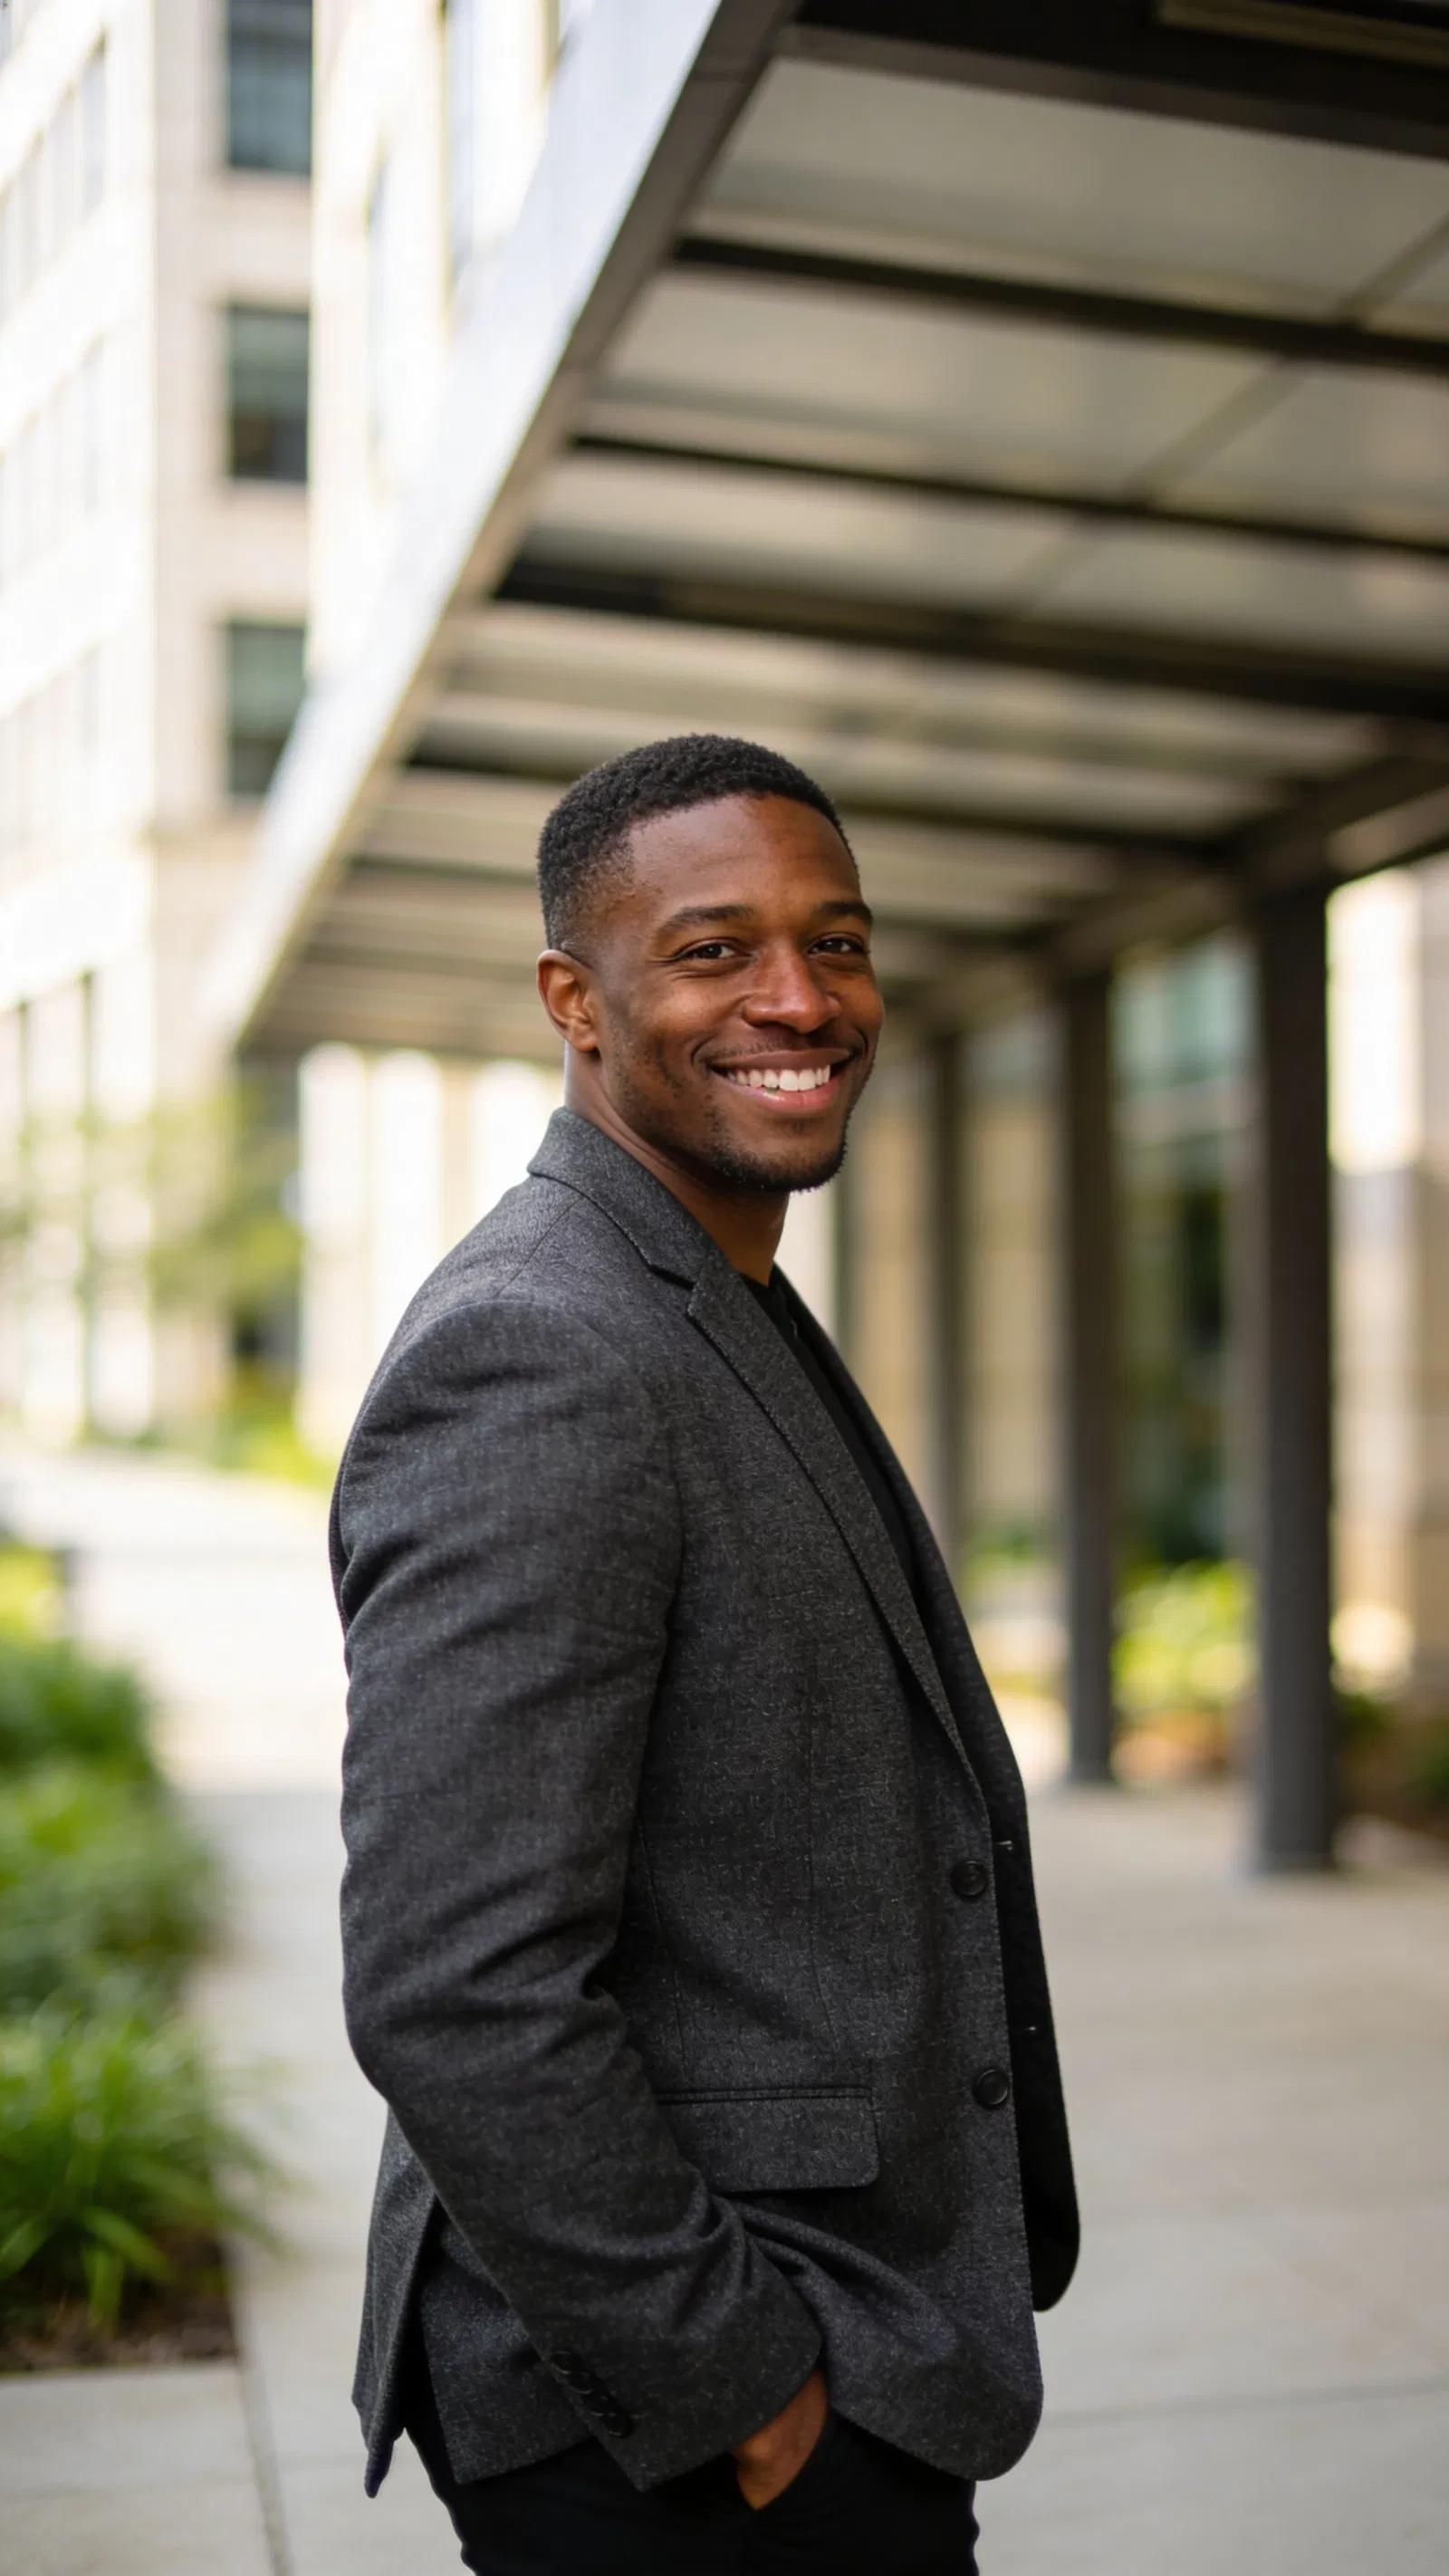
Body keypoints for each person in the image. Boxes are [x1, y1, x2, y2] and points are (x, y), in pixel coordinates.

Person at [333, 735, 1078, 2573]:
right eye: (714, 949)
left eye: (836, 941)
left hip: (822, 2342)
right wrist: (749, 2396)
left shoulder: (700, 1286)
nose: (797, 999)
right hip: (671, 2414)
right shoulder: (542, 1352)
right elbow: (456, 1981)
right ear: (574, 1003)